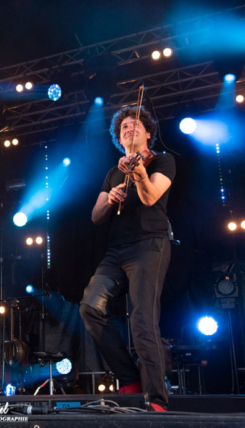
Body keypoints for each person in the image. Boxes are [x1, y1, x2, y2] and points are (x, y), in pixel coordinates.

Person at [79, 106, 175, 411]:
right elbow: (95, 217)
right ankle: (128, 377)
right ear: (119, 139)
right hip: (116, 251)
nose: (129, 129)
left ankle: (157, 398)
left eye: (135, 125)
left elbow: (149, 197)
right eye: (124, 128)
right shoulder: (113, 173)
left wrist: (140, 173)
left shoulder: (162, 161)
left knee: (143, 321)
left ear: (148, 133)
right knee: (89, 307)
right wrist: (109, 199)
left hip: (149, 246)